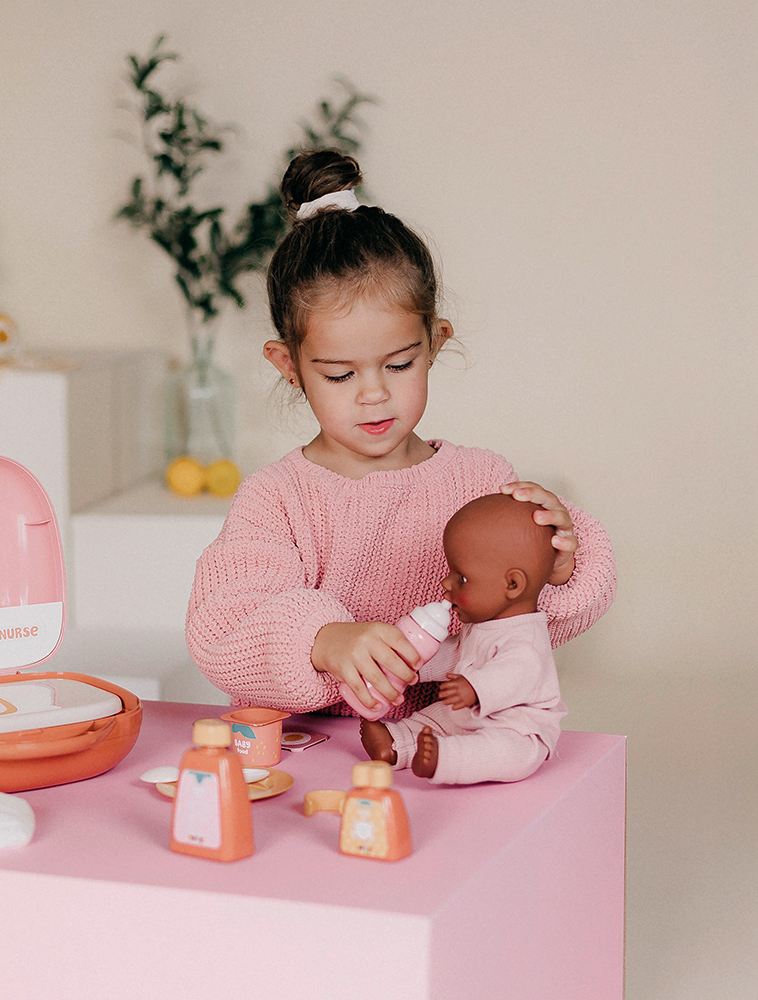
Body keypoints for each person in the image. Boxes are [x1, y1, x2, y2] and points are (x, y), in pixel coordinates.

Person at [186, 149, 615, 719]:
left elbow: (525, 631)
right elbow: (222, 625)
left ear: (435, 342)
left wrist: (554, 569)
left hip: (448, 748)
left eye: (399, 364)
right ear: (289, 365)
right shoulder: (278, 499)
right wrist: (324, 641)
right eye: (339, 375)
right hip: (310, 753)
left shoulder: (480, 481)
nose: (373, 394)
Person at [360, 493, 566, 783]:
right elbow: (458, 653)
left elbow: (516, 674)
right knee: (434, 719)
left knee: (510, 752)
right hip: (469, 712)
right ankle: (397, 744)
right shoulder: (483, 624)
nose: (446, 582)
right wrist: (415, 660)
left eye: (462, 578)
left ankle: (446, 758)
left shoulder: (526, 638)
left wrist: (474, 688)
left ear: (512, 584)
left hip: (515, 723)